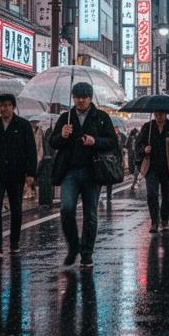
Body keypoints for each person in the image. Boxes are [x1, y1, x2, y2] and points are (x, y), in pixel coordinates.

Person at [49, 82, 116, 267]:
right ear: (73, 98)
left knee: (90, 214)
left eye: (84, 97)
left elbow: (112, 142)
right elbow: (52, 142)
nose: (80, 101)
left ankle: (86, 252)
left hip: (93, 172)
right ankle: (73, 246)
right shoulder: (66, 117)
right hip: (70, 171)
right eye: (77, 97)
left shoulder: (101, 117)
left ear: (90, 98)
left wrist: (95, 141)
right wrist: (61, 135)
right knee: (66, 209)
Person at [0, 93, 36, 260]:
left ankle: (14, 242)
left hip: (16, 172)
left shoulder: (23, 125)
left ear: (13, 106)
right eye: (0, 105)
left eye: (6, 105)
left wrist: (30, 173)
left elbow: (30, 150)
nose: (3, 108)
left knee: (16, 208)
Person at [136, 111, 169, 232]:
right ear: (154, 114)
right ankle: (154, 221)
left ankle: (164, 219)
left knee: (167, 195)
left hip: (167, 166)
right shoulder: (147, 127)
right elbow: (138, 145)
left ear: (166, 114)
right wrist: (144, 149)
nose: (159, 116)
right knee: (151, 194)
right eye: (157, 114)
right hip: (151, 166)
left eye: (162, 114)